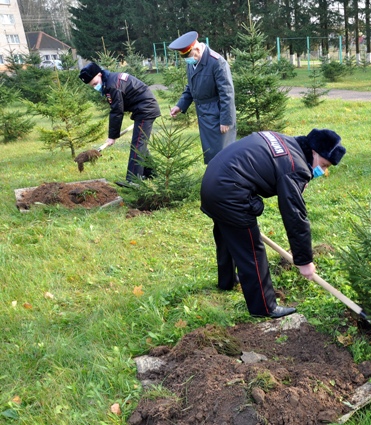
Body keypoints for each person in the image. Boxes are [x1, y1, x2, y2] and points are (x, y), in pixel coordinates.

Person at [200, 129, 346, 318]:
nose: (323, 171)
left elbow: (277, 167)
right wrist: (305, 261)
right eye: (324, 165)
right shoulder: (296, 167)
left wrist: (298, 179)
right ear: (314, 152)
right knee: (252, 249)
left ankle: (226, 281)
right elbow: (295, 216)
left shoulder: (287, 142)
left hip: (213, 181)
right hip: (229, 192)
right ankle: (264, 307)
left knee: (228, 232)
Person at [79, 62, 161, 187]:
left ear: (99, 74)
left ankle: (133, 181)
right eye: (92, 86)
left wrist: (112, 136)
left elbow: (117, 111)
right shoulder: (110, 81)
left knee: (138, 144)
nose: (95, 87)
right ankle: (151, 173)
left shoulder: (112, 85)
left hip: (146, 109)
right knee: (140, 143)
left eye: (95, 83)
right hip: (142, 109)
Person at [168, 31, 236, 164]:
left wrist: (226, 120)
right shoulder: (192, 62)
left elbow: (227, 93)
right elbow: (190, 87)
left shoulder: (217, 62)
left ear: (198, 49)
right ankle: (214, 178)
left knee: (222, 151)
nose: (188, 60)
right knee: (211, 152)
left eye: (190, 56)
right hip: (203, 113)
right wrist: (180, 105)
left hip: (217, 114)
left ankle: (226, 181)